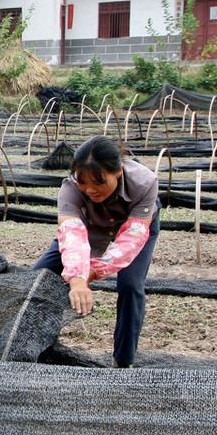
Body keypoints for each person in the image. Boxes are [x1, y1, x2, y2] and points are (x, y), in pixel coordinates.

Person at [32, 136, 160, 368]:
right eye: (83, 181)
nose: (90, 189)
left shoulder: (145, 183)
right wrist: (77, 279)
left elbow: (130, 240)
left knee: (131, 285)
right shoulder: (70, 188)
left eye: (99, 181)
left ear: (118, 172)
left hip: (135, 225)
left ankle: (123, 361)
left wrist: (92, 272)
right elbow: (72, 234)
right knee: (38, 276)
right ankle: (29, 345)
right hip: (89, 224)